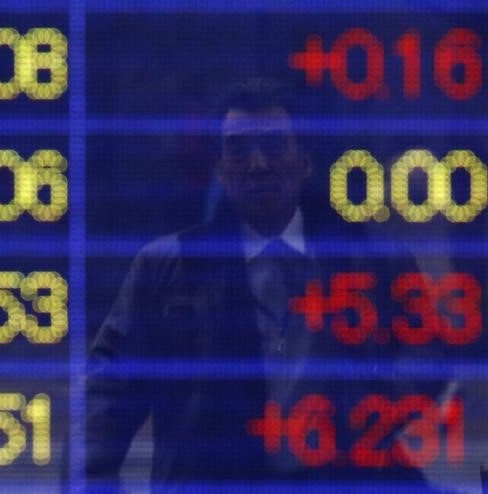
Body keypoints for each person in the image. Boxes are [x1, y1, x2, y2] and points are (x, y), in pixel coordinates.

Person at [84, 79, 438, 492]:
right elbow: (109, 390)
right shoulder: (168, 266)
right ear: (220, 167)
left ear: (304, 161)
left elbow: (427, 349)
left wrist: (370, 411)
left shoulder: (376, 260)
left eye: (272, 146)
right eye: (237, 149)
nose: (256, 164)